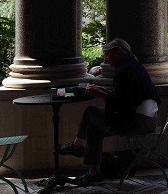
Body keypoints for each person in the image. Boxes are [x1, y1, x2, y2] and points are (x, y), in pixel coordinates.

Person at [58, 38, 160, 185]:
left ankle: (76, 146)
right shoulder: (133, 65)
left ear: (118, 52)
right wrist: (101, 90)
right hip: (149, 119)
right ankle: (94, 173)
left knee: (90, 112)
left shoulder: (124, 70)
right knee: (94, 126)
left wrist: (99, 93)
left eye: (108, 55)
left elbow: (123, 104)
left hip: (138, 122)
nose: (106, 59)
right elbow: (125, 96)